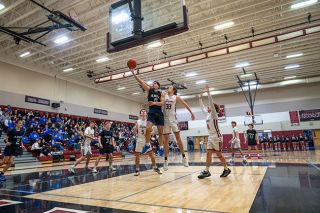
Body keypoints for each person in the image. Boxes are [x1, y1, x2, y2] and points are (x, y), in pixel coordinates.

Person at [198, 85, 231, 179]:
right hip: (210, 137)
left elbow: (211, 103)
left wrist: (208, 92)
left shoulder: (214, 115)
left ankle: (226, 169)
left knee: (219, 155)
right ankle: (206, 171)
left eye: (209, 107)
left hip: (217, 137)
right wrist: (200, 98)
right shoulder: (207, 115)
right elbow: (202, 107)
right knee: (208, 153)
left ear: (213, 109)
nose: (208, 107)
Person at [130, 69, 165, 156]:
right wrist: (133, 73)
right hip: (152, 112)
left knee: (160, 133)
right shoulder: (149, 90)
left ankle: (161, 148)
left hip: (159, 113)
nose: (154, 84)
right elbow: (141, 81)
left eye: (155, 83)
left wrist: (153, 103)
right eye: (153, 83)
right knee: (148, 128)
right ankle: (146, 145)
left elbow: (162, 103)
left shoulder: (161, 93)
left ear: (158, 86)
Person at [163, 85, 195, 171]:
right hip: (165, 120)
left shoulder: (176, 97)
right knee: (165, 140)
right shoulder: (164, 95)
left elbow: (185, 104)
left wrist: (191, 113)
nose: (168, 88)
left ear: (173, 90)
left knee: (178, 139)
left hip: (173, 119)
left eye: (170, 87)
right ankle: (165, 161)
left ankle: (184, 158)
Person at [133, 109, 162, 176]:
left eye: (144, 111)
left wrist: (150, 133)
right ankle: (137, 170)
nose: (143, 112)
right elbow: (134, 131)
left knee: (152, 155)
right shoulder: (137, 121)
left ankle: (155, 167)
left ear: (146, 114)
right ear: (140, 114)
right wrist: (135, 130)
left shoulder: (149, 121)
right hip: (140, 140)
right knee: (137, 156)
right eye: (142, 111)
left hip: (146, 140)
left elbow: (152, 131)